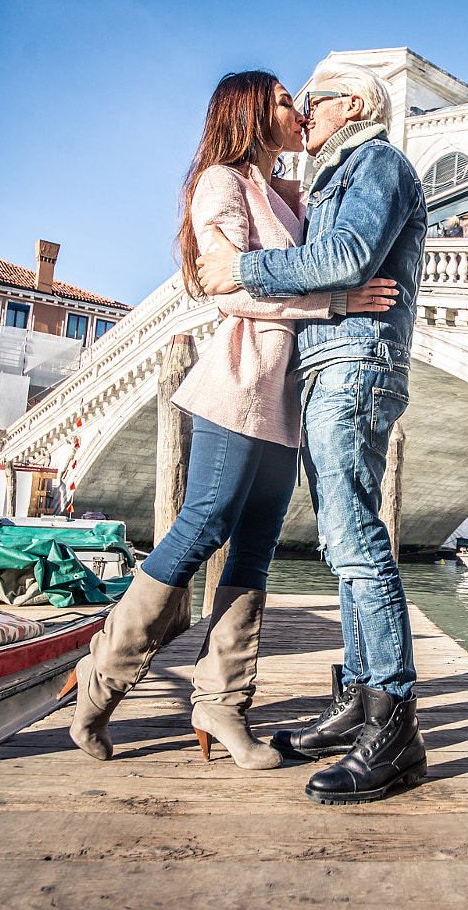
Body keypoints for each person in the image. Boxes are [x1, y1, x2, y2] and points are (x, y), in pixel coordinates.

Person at [65, 71, 397, 769]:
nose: (298, 111)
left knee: (254, 548)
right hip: (240, 383)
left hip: (287, 398)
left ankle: (222, 704)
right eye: (284, 101)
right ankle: (100, 683)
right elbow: (232, 288)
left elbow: (280, 266)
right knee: (203, 524)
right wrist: (334, 304)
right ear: (251, 113)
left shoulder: (297, 194)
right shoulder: (223, 180)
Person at [198, 59, 428, 805]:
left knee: (356, 540)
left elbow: (344, 258)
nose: (302, 112)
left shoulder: (378, 163)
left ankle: (395, 727)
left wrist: (246, 268)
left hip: (358, 363)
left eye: (312, 100)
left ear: (352, 103)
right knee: (339, 541)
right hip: (328, 365)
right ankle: (361, 699)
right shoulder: (330, 177)